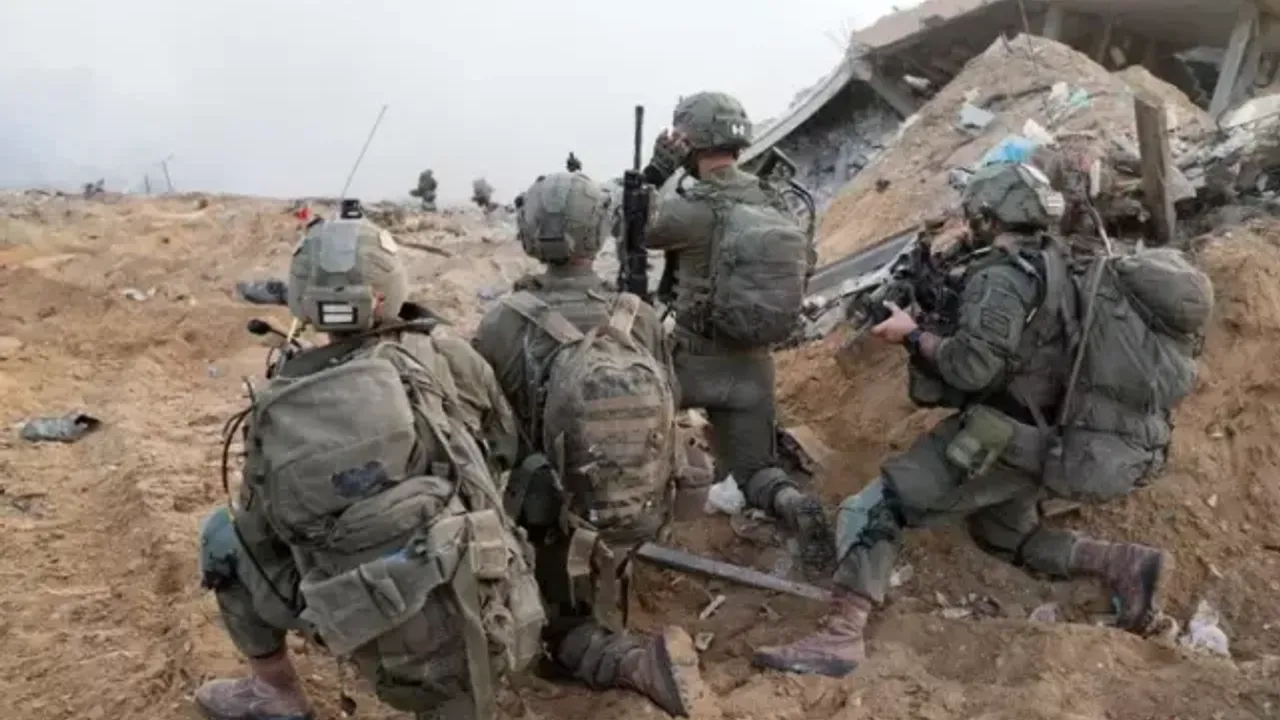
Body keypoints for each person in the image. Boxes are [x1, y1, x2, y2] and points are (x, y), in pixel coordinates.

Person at [752, 163, 1168, 677]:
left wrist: (911, 334)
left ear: (992, 217)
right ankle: (1123, 563)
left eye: (976, 217)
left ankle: (841, 637)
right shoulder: (1056, 259)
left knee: (876, 508)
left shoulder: (1003, 277)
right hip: (1050, 432)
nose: (970, 224)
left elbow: (973, 368)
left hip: (1003, 436)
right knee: (1004, 535)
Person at [195, 210, 540, 720]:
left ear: (303, 301)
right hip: (500, 608)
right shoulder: (452, 354)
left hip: (384, 643)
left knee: (221, 536)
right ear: (389, 289)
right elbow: (505, 448)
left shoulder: (286, 404)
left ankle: (275, 692)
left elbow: (266, 528)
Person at [473, 171, 701, 717]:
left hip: (550, 518)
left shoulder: (503, 322)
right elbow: (670, 401)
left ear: (530, 233)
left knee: (556, 637)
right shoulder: (638, 316)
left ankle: (621, 659)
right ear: (600, 233)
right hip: (637, 508)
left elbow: (491, 437)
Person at [640, 91, 833, 574]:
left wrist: (654, 175)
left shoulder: (691, 209)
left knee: (637, 438)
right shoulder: (776, 201)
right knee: (757, 473)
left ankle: (643, 520)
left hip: (687, 365)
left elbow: (632, 230)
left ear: (690, 142)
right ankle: (792, 503)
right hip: (753, 367)